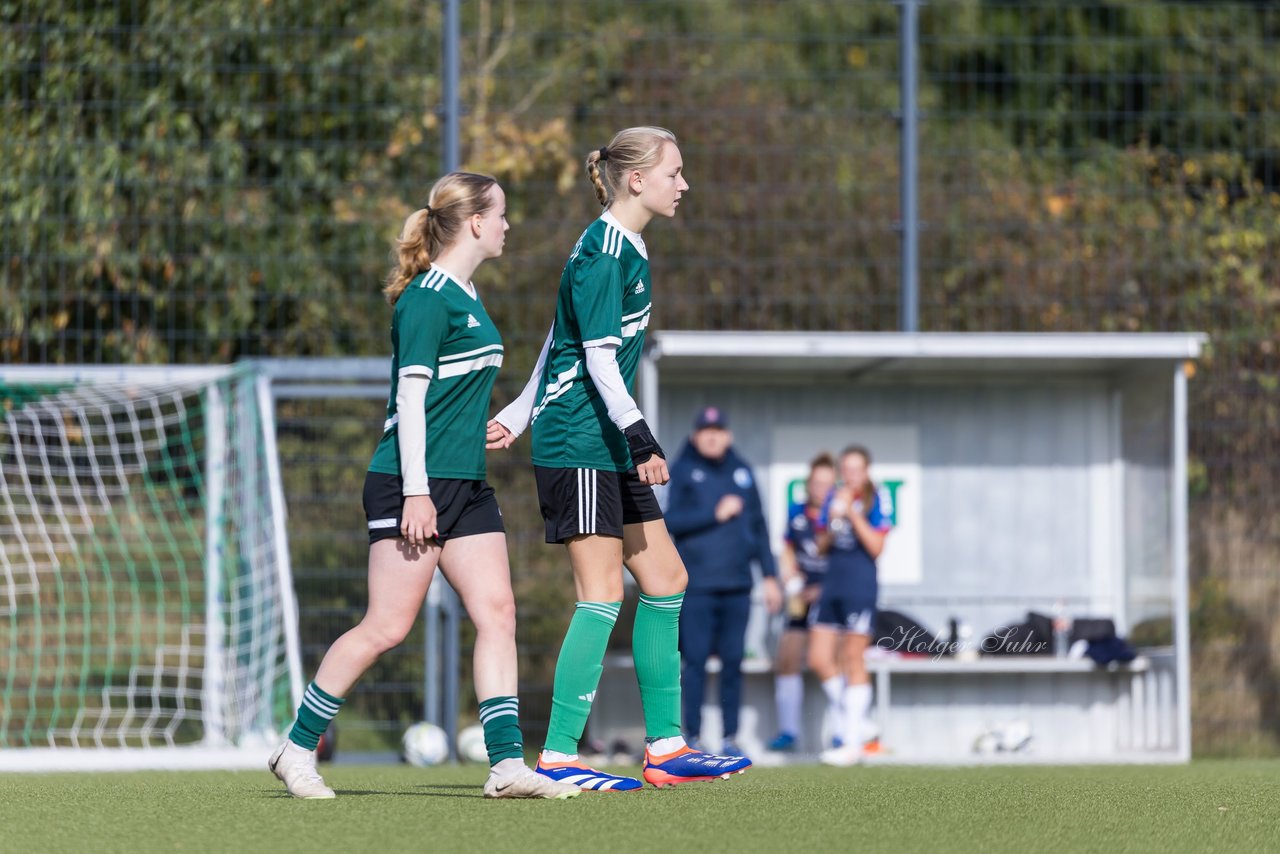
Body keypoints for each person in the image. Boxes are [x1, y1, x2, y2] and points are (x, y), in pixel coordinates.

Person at [268, 172, 579, 801]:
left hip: (467, 485)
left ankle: (504, 767)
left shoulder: (465, 293)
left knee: (498, 613)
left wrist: (490, 425)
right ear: (473, 223)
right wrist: (416, 492)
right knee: (386, 627)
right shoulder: (427, 299)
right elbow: (410, 402)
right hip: (409, 483)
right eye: (501, 215)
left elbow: (450, 396)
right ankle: (297, 749)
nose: (507, 225)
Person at [489, 126, 751, 791]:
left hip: (601, 439)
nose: (684, 184)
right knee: (601, 594)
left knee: (666, 579)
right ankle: (556, 757)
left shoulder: (621, 246)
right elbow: (597, 358)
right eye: (675, 172)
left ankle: (665, 747)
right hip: (581, 440)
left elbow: (560, 337)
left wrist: (519, 410)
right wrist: (639, 434)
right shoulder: (605, 252)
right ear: (636, 179)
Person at [664, 406, 781, 755]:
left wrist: (771, 576)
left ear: (727, 435)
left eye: (718, 430)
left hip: (738, 585)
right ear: (695, 436)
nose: (712, 436)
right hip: (698, 585)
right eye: (705, 430)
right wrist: (713, 514)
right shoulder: (684, 470)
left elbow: (759, 527)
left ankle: (731, 738)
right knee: (695, 661)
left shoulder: (742, 471)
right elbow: (672, 521)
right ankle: (692, 738)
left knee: (733, 661)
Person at [809, 445, 892, 766]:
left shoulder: (877, 497)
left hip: (860, 585)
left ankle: (852, 742)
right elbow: (821, 547)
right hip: (832, 584)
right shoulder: (833, 497)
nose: (851, 476)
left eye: (857, 469)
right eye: (847, 469)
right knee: (819, 657)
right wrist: (832, 521)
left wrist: (853, 513)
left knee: (852, 657)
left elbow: (876, 546)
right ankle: (855, 722)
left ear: (867, 471)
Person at [766, 451, 837, 752]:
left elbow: (849, 563)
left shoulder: (841, 515)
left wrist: (823, 589)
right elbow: (788, 551)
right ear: (808, 484)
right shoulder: (796, 513)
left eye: (827, 484)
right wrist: (791, 580)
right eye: (816, 483)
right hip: (802, 595)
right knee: (787, 654)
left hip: (833, 596)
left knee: (833, 661)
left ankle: (848, 731)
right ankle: (789, 732)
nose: (821, 489)